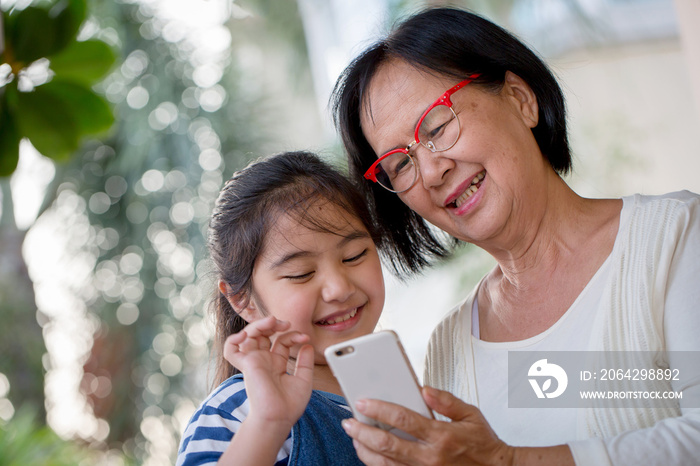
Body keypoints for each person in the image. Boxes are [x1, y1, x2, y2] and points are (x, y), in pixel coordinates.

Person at [331, 6, 700, 466]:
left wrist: (507, 460)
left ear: (520, 99)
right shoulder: (451, 346)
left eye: (437, 127)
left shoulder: (677, 237)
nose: (430, 170)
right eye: (399, 164)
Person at [176, 151, 386, 465]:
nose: (340, 288)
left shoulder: (394, 390)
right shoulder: (239, 411)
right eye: (301, 273)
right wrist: (268, 423)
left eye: (354, 255)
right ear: (242, 299)